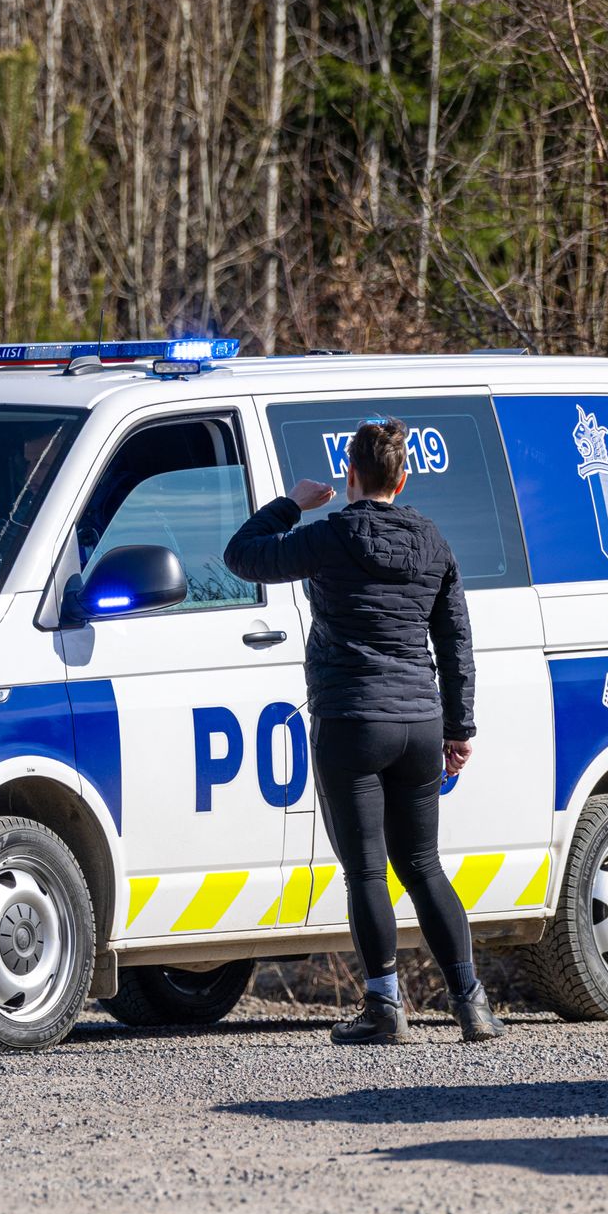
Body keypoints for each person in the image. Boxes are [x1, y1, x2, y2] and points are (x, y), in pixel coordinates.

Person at [224, 417, 499, 1045]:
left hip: (353, 719)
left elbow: (243, 556)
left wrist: (291, 503)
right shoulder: (433, 540)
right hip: (421, 723)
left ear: (350, 476)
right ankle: (472, 1004)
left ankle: (384, 1006)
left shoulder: (331, 536)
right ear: (402, 479)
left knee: (369, 874)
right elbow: (456, 641)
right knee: (425, 864)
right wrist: (459, 727)